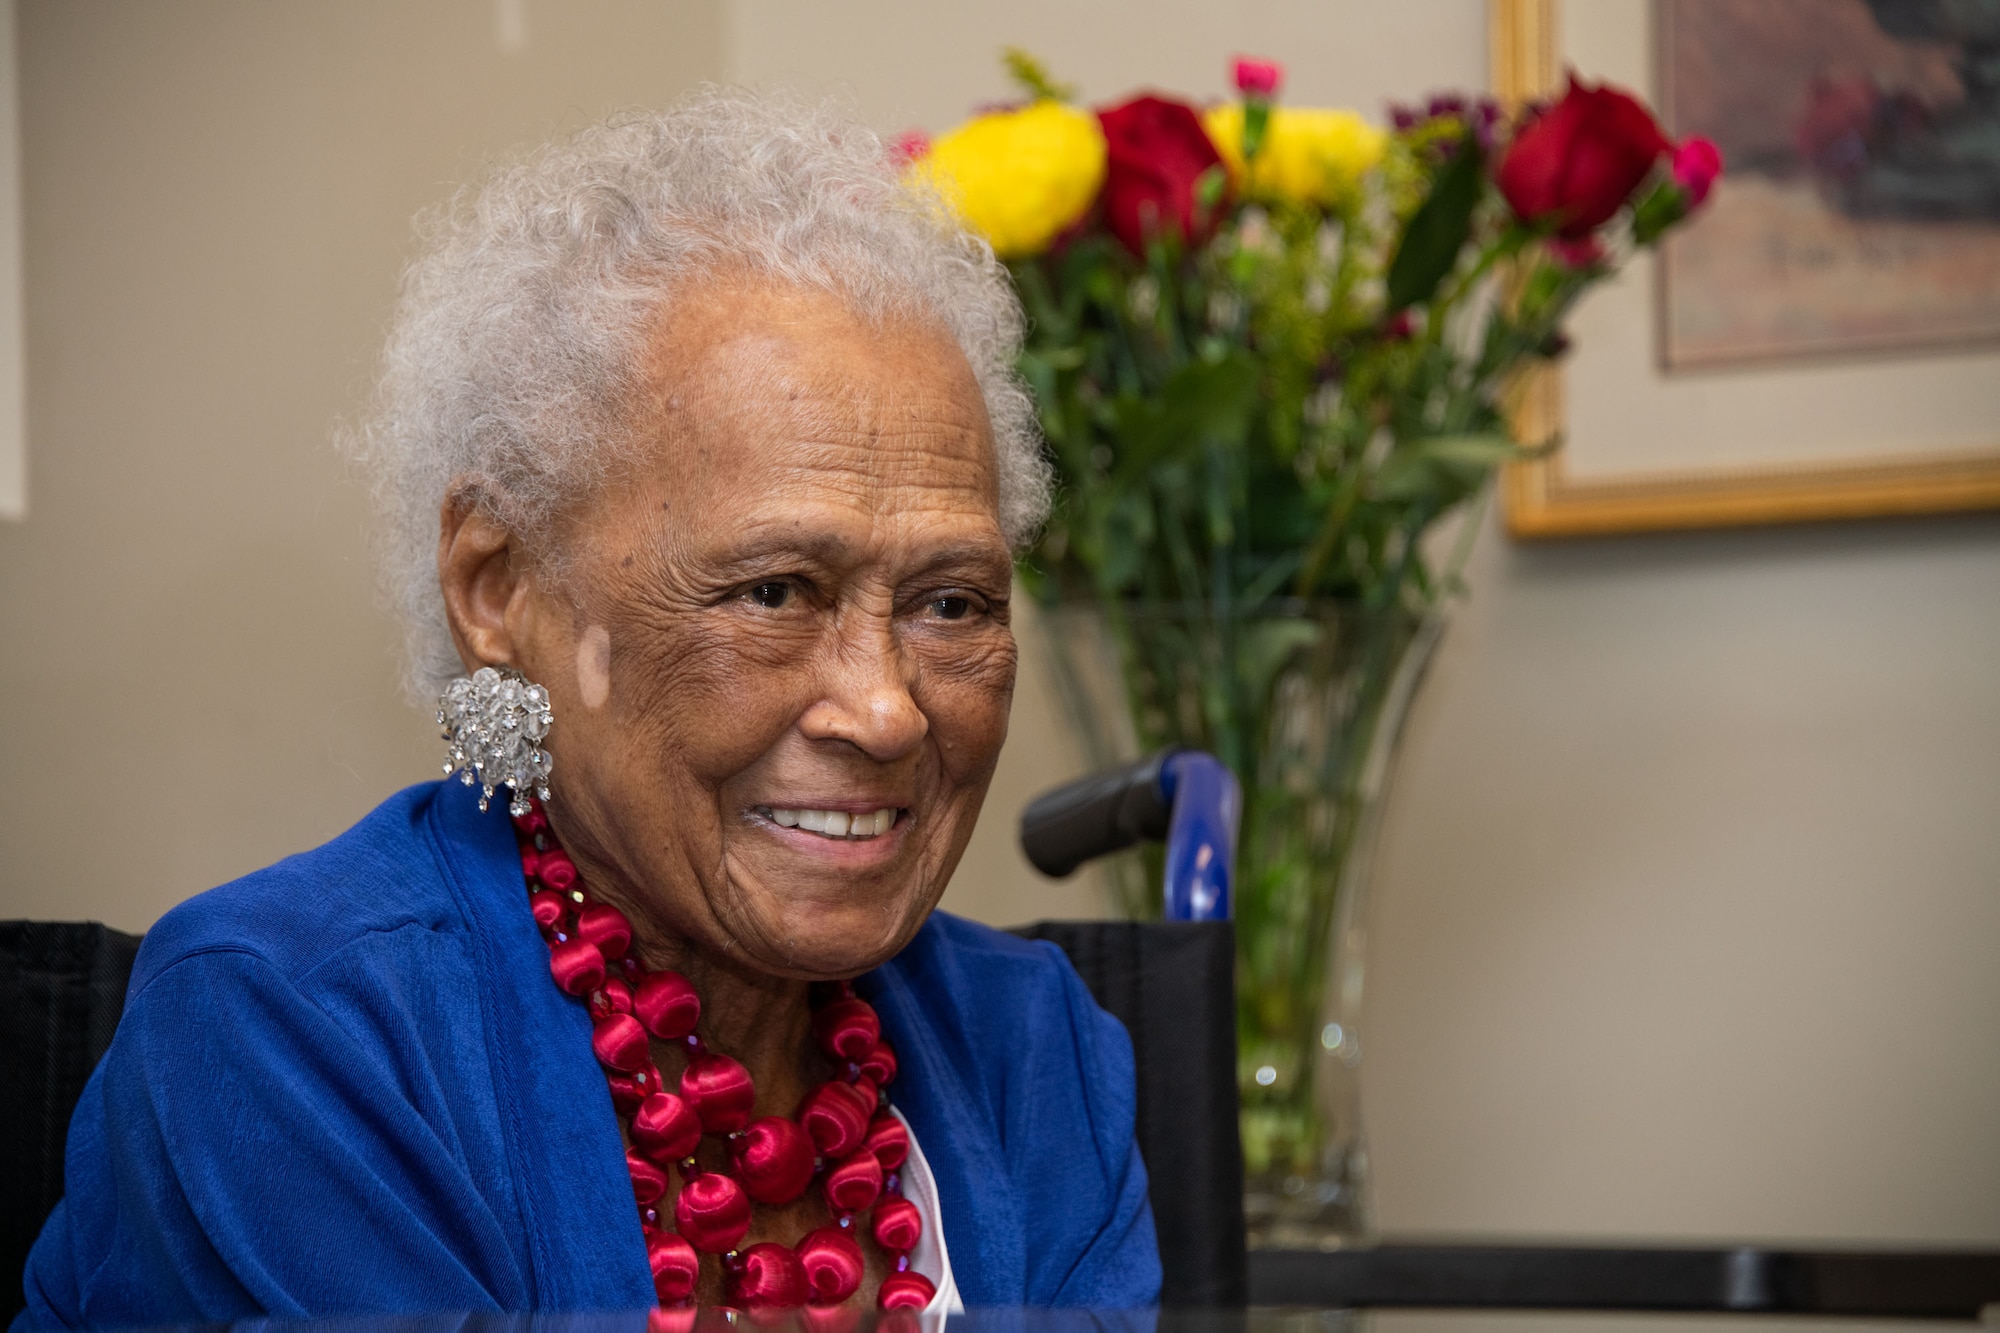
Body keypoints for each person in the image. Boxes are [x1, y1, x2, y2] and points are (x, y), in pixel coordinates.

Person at [16, 89, 1160, 1326]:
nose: (884, 711)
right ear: (496, 587)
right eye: (773, 589)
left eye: (949, 603)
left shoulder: (1040, 1057)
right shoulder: (284, 1031)